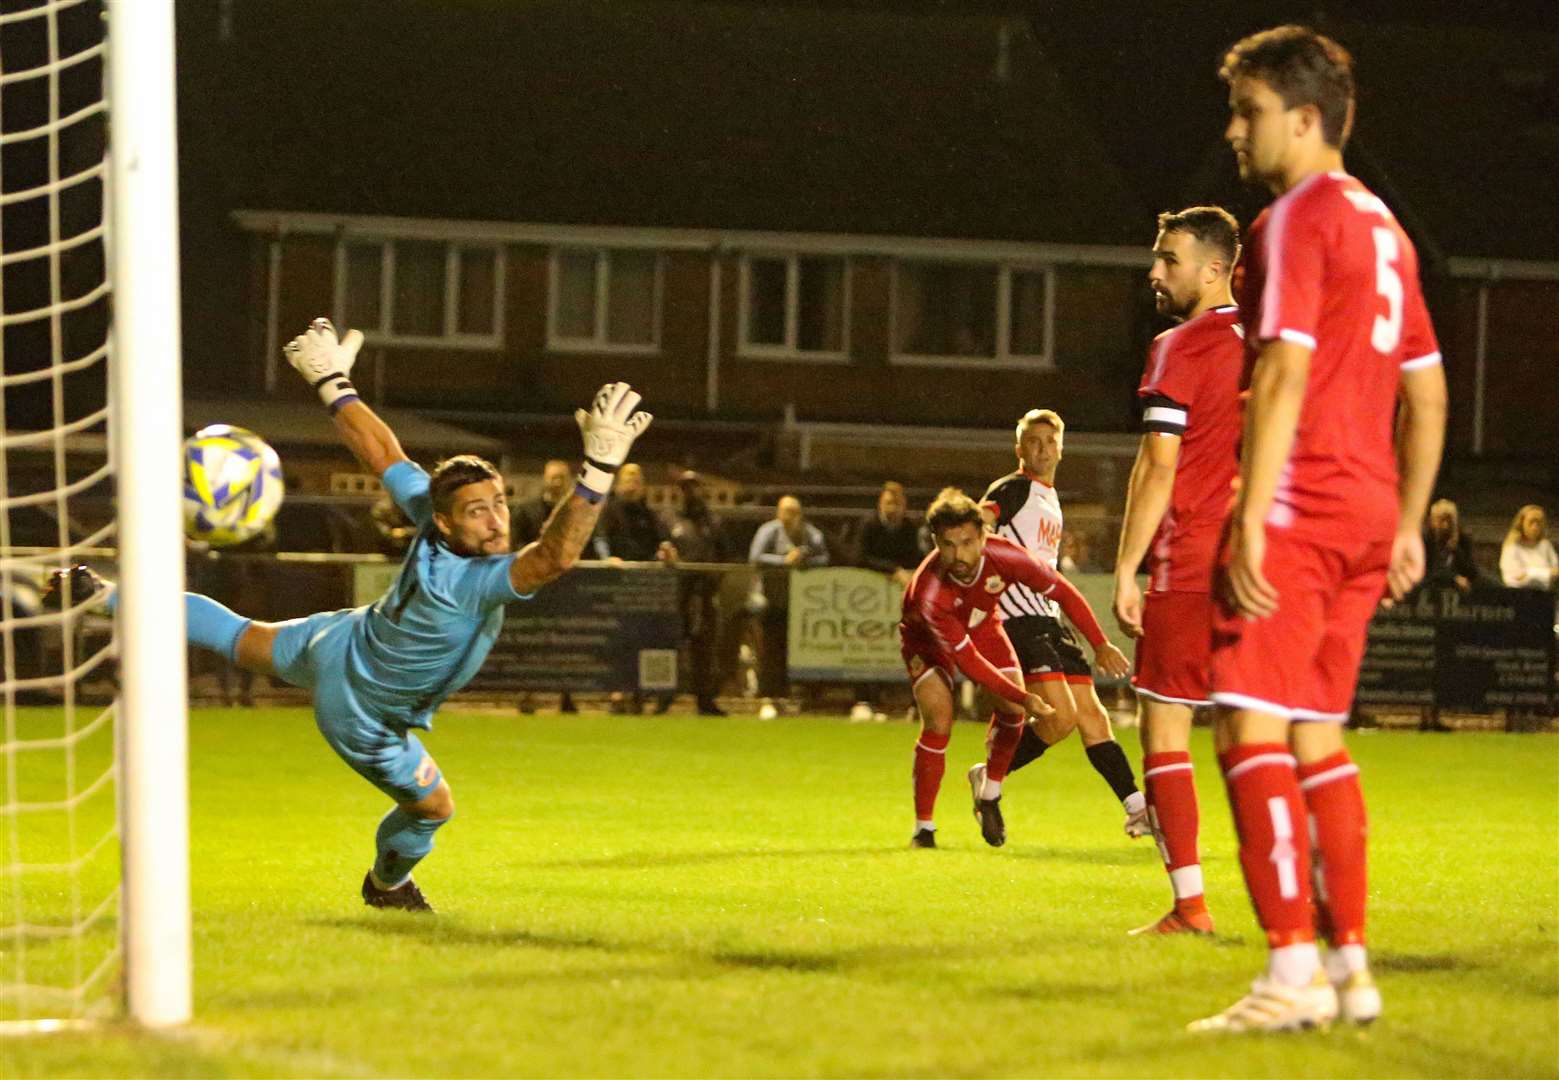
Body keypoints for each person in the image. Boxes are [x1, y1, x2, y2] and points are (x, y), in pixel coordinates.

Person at [54, 319, 653, 913]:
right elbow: (555, 555)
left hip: (341, 637)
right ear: (447, 522)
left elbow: (381, 451)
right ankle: (386, 887)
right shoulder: (472, 583)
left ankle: (102, 595)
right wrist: (598, 467)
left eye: (498, 503)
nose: (496, 521)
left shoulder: (429, 510)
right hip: (362, 710)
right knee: (434, 807)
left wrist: (333, 381)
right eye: (478, 512)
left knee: (242, 637)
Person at [1192, 26, 1448, 1033]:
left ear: (1303, 120)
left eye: (1247, 111)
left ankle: (1287, 974)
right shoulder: (1386, 228)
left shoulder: (1295, 218)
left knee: (1245, 728)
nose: (1232, 132)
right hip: (1365, 511)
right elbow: (1424, 393)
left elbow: (1282, 372)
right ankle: (1349, 971)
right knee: (1317, 737)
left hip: (1296, 508)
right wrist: (1409, 524)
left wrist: (1247, 517)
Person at [1112, 205, 1245, 938]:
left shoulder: (1178, 346)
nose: (1154, 271)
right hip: (1262, 566)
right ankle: (1311, 904)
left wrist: (1127, 567)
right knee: (1267, 736)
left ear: (1214, 268)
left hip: (1190, 562)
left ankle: (1189, 905)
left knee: (1163, 730)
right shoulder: (1267, 343)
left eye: (1169, 258)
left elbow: (1161, 463)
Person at [901, 488, 1130, 848]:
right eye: (947, 545)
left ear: (983, 536)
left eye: (966, 542)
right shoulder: (930, 594)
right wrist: (1026, 697)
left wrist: (1100, 643)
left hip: (983, 627)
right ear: (935, 542)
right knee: (939, 718)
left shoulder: (1004, 555)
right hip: (926, 643)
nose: (958, 555)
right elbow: (970, 663)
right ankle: (924, 829)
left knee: (1011, 715)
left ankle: (989, 794)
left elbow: (1063, 592)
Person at [969, 409, 1147, 842]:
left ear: (1061, 448)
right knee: (1062, 718)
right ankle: (989, 775)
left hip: (1048, 617)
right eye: (1034, 441)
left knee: (1093, 716)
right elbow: (978, 523)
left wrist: (1096, 638)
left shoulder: (1050, 498)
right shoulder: (1012, 489)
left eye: (1050, 441)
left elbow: (1050, 575)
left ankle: (1137, 808)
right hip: (1016, 618)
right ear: (1020, 448)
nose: (1043, 448)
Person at [592, 463, 677, 714]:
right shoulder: (608, 509)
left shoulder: (649, 514)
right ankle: (617, 692)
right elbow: (600, 539)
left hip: (643, 587)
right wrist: (607, 559)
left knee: (642, 640)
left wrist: (665, 552)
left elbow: (661, 541)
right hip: (616, 585)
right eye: (628, 477)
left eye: (638, 478)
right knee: (617, 641)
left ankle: (639, 692)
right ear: (618, 482)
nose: (633, 482)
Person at [747, 495, 830, 709]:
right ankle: (768, 696)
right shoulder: (768, 531)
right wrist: (783, 561)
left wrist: (805, 561)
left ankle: (794, 695)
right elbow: (755, 557)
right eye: (786, 511)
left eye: (794, 512)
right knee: (770, 649)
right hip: (771, 599)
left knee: (797, 650)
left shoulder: (811, 534)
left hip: (803, 604)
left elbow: (824, 559)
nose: (789, 516)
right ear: (778, 512)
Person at [513, 457, 580, 713]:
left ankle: (567, 695)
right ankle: (527, 693)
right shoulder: (527, 510)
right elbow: (516, 545)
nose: (556, 482)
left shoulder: (575, 513)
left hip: (566, 586)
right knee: (531, 640)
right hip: (534, 585)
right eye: (553, 476)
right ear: (544, 479)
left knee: (567, 641)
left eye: (561, 477)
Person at [667, 471, 733, 716]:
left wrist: (715, 580)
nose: (689, 492)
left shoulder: (713, 522)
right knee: (671, 643)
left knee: (703, 648)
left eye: (693, 487)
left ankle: (705, 699)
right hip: (676, 591)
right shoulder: (669, 519)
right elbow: (658, 549)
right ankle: (664, 697)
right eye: (685, 488)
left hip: (704, 592)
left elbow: (726, 556)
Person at [855, 481, 925, 588]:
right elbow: (860, 558)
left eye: (897, 503)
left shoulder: (910, 527)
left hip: (903, 581)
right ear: (880, 504)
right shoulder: (868, 525)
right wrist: (894, 569)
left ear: (904, 505)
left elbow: (913, 556)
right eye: (889, 503)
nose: (893, 508)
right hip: (869, 582)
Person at [1422, 499, 1482, 594]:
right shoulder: (1427, 540)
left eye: (1449, 520)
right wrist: (1453, 578)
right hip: (1431, 589)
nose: (1445, 525)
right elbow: (1428, 572)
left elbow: (1472, 572)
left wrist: (1456, 550)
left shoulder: (1463, 540)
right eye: (1440, 520)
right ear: (1432, 520)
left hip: (1460, 592)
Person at [1500, 505, 1558, 591]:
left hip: (1545, 595)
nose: (1535, 527)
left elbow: (1556, 571)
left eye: (1539, 523)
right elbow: (1513, 578)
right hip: (1519, 596)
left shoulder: (1545, 545)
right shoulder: (1511, 546)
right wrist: (1546, 573)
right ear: (1521, 523)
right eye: (1531, 522)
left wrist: (1529, 573)